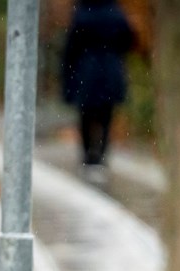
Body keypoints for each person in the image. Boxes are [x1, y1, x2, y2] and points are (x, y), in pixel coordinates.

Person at [60, 0, 134, 174]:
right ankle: (100, 155)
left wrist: (68, 73)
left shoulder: (82, 14)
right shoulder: (116, 13)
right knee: (106, 114)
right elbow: (127, 39)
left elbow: (72, 45)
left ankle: (88, 155)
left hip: (88, 70)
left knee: (86, 114)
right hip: (110, 69)